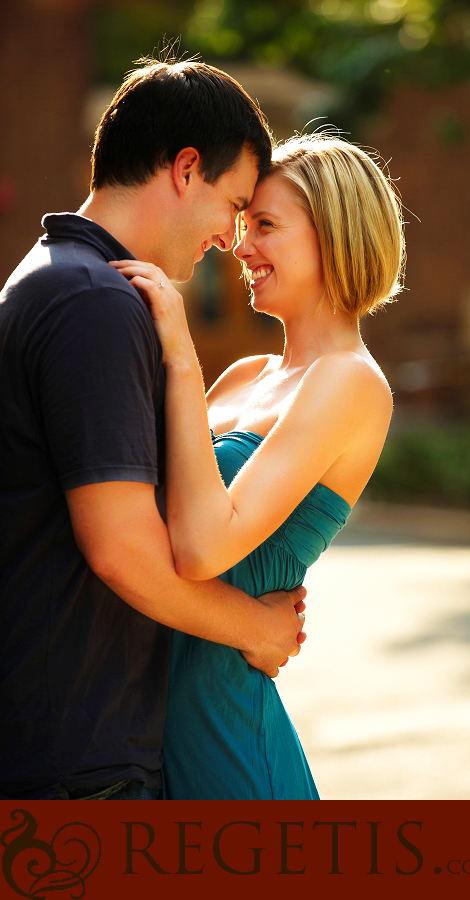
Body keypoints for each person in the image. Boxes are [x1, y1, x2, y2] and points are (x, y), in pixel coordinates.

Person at [0, 60, 307, 802]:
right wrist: (256, 630)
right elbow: (121, 549)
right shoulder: (93, 302)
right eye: (235, 204)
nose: (233, 238)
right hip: (77, 767)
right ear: (186, 167)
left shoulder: (55, 278)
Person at [110, 134, 405, 799]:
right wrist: (262, 626)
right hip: (140, 728)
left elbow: (202, 545)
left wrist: (181, 358)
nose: (240, 248)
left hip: (225, 738)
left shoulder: (350, 382)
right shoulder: (246, 376)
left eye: (265, 226)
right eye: (243, 225)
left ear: (334, 235)